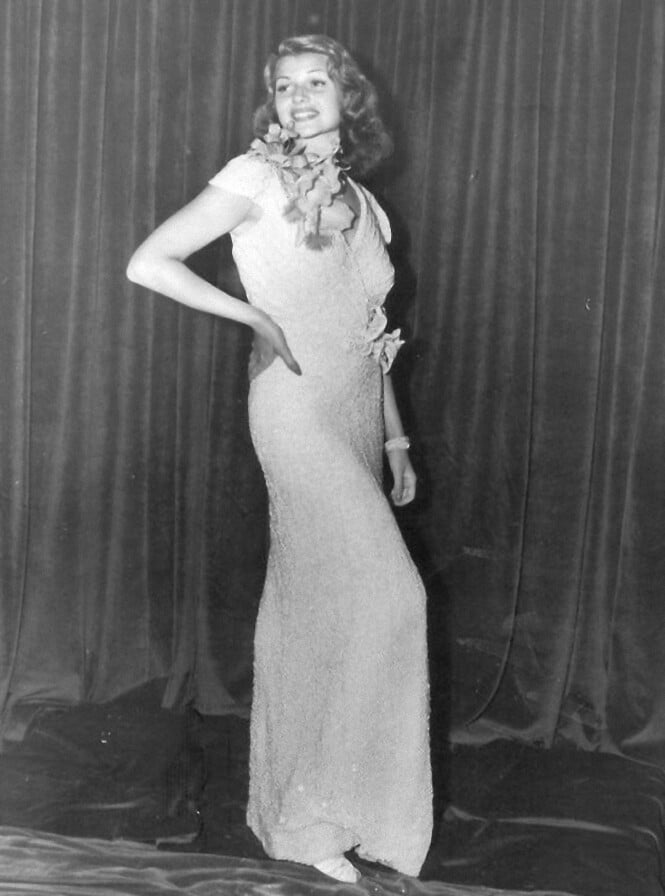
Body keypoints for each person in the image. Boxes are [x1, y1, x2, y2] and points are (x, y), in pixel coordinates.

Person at [127, 34, 432, 884]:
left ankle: (329, 811)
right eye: (284, 85)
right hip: (293, 410)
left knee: (326, 609)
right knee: (392, 596)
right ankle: (308, 815)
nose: (298, 97)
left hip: (357, 415)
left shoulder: (368, 206)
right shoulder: (254, 176)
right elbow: (148, 263)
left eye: (316, 82)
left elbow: (371, 341)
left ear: (347, 99)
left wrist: (396, 439)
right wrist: (254, 318)